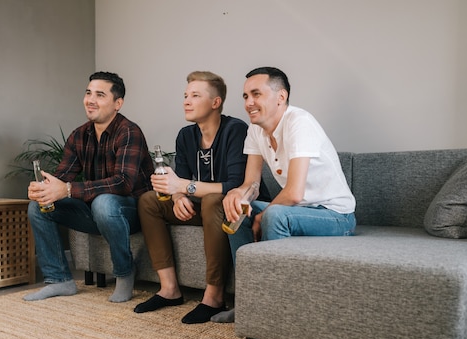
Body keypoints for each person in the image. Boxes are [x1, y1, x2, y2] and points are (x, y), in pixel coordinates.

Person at [215, 67, 356, 323]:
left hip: (336, 216)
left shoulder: (299, 123)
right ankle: (248, 303)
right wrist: (237, 195)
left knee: (275, 215)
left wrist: (263, 215)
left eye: (256, 94)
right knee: (236, 211)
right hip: (298, 211)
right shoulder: (255, 130)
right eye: (245, 96)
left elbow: (293, 193)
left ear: (281, 97)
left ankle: (278, 310)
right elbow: (252, 184)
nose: (248, 103)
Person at [24, 71, 154, 302]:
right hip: (95, 210)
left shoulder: (129, 132)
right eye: (88, 93)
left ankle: (125, 273)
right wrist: (46, 190)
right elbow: (62, 178)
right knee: (39, 207)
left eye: (100, 95)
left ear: (117, 103)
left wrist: (67, 189)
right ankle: (60, 280)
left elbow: (123, 183)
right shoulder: (79, 136)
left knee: (104, 203)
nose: (90, 100)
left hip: (132, 213)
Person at [135, 71, 248, 324]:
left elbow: (234, 185)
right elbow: (179, 184)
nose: (186, 101)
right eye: (186, 95)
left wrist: (183, 187)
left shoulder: (236, 130)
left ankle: (214, 296)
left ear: (215, 102)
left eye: (195, 95)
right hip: (202, 211)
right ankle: (169, 289)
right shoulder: (185, 135)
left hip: (232, 210)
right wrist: (176, 197)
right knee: (148, 200)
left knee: (212, 200)